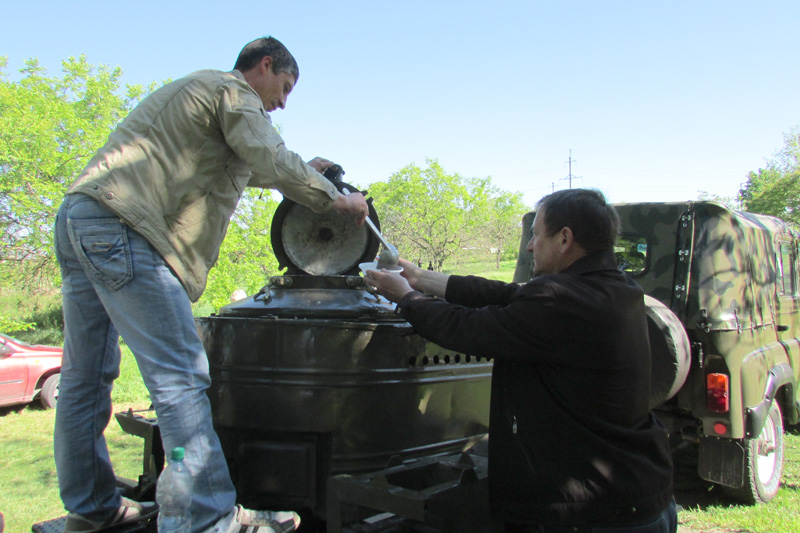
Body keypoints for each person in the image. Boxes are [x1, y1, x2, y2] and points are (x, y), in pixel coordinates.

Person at [53, 36, 368, 533]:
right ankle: (204, 517)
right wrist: (334, 198)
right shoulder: (231, 91)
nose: (283, 102)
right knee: (180, 375)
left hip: (83, 217)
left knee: (85, 377)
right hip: (126, 228)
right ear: (265, 65)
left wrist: (307, 170)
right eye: (285, 87)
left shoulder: (201, 96)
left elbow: (252, 165)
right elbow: (267, 154)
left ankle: (91, 509)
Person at [366, 189, 676, 533]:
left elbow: (468, 329)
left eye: (536, 234)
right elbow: (506, 294)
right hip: (637, 495)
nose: (529, 246)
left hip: (592, 515)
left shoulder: (561, 301)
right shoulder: (615, 288)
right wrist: (420, 277)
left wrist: (406, 297)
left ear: (564, 239)